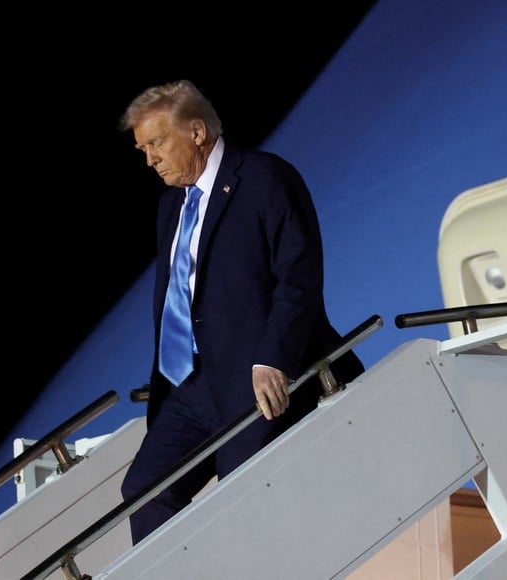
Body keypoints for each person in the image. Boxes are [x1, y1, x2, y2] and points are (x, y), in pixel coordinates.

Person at [117, 79, 365, 545]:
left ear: (195, 132)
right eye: (142, 149)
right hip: (186, 390)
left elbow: (299, 278)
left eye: (156, 143)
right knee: (144, 492)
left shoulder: (264, 178)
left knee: (240, 508)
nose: (149, 159)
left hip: (252, 379)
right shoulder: (171, 205)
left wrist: (272, 357)